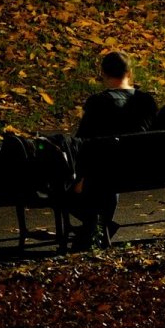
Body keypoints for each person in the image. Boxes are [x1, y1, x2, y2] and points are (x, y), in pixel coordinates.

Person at [67, 51, 156, 247]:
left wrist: (81, 177)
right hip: (140, 167)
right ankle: (100, 226)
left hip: (106, 171)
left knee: (65, 188)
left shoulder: (99, 102)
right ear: (129, 72)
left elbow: (82, 142)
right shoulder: (146, 101)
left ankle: (97, 225)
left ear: (104, 73)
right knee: (108, 167)